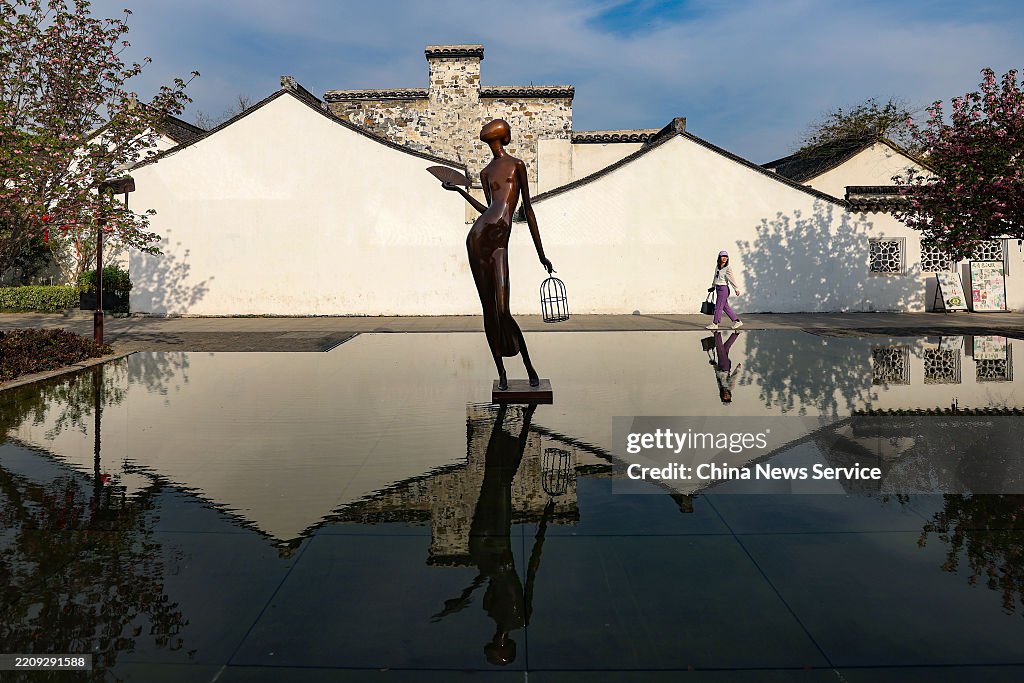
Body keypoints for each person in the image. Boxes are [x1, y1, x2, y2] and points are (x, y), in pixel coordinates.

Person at [442, 119, 553, 391]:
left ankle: (529, 367)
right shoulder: (485, 172)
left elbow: (527, 209)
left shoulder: (517, 165)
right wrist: (459, 191)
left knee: (503, 310)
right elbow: (488, 209)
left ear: (502, 136)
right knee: (488, 311)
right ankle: (502, 374)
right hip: (478, 239)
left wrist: (542, 254)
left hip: (500, 244)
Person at [706, 250, 743, 330]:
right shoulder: (718, 267)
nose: (724, 258)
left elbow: (731, 279)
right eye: (723, 256)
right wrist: (713, 286)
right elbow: (715, 277)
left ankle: (715, 323)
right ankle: (737, 321)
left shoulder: (727, 268)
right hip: (718, 289)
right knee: (725, 307)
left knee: (718, 307)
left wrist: (736, 289)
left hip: (723, 289)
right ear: (719, 257)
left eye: (726, 257)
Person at [709, 331, 741, 404]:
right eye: (728, 397)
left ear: (722, 396)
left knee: (725, 347)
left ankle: (736, 334)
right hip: (725, 366)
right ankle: (716, 333)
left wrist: (714, 365)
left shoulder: (721, 387)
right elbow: (733, 377)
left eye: (725, 397)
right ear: (730, 395)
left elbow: (717, 375)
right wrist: (738, 369)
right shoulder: (730, 387)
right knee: (719, 349)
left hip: (721, 366)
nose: (726, 396)